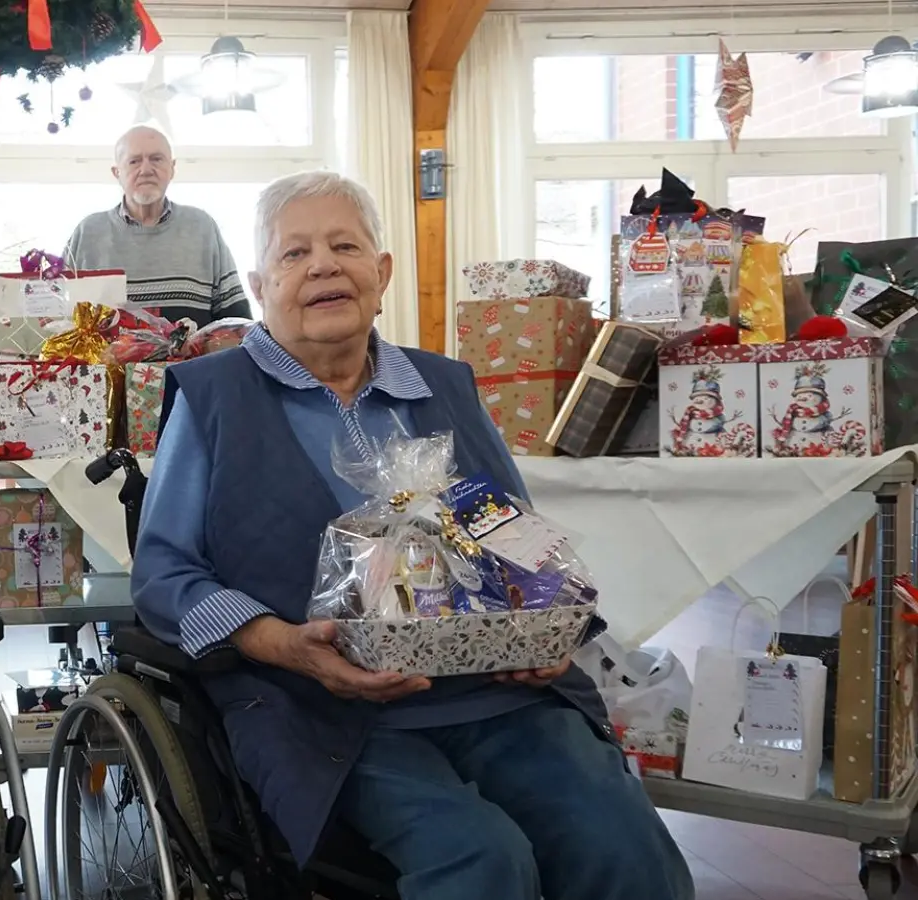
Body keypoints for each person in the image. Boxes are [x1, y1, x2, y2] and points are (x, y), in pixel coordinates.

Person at [130, 171, 692, 900]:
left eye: (345, 245)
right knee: (479, 858)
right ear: (259, 284)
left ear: (381, 272)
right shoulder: (214, 397)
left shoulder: (445, 385)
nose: (324, 265)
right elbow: (165, 577)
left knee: (622, 841)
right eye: (295, 254)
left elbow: (516, 541)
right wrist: (284, 645)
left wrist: (546, 631)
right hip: (318, 706)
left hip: (487, 685)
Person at [63, 124, 252, 328]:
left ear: (172, 168)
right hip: (104, 361)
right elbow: (60, 321)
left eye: (156, 159)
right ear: (116, 172)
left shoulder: (202, 228)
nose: (145, 170)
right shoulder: (87, 233)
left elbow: (236, 322)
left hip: (193, 361)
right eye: (134, 161)